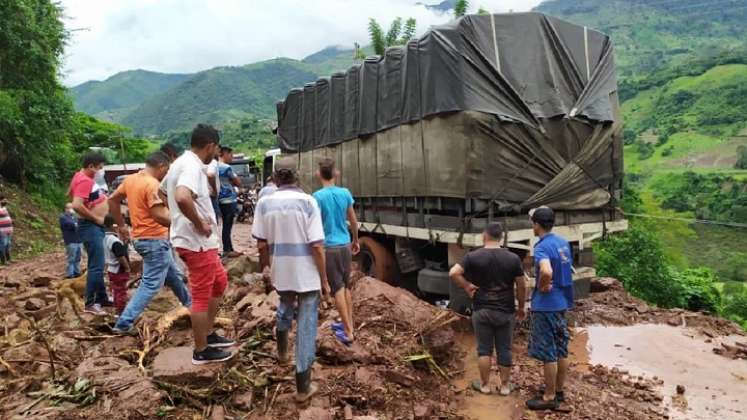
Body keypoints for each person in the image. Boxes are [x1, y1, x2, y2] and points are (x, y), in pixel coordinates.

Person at [252, 157, 329, 404]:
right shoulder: (308, 202)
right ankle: (303, 386)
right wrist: (324, 280)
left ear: (274, 177)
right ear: (297, 176)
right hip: (306, 274)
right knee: (306, 324)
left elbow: (261, 243)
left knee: (285, 306)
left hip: (281, 271)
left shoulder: (264, 203)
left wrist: (265, 268)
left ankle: (283, 352)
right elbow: (317, 246)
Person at [163, 124, 235, 365]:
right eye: (215, 149)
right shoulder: (192, 166)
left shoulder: (180, 163)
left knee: (220, 282)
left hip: (199, 242)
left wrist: (177, 217)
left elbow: (163, 193)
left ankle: (208, 334)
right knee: (202, 295)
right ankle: (201, 350)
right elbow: (182, 196)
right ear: (211, 146)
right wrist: (197, 222)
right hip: (196, 242)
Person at [109, 151, 192, 334]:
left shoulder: (131, 180)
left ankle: (191, 306)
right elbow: (159, 214)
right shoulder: (152, 184)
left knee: (173, 276)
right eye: (167, 170)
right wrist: (185, 223)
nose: (166, 175)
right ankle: (124, 323)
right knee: (150, 284)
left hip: (142, 238)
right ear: (162, 167)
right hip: (154, 239)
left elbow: (112, 199)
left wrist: (122, 226)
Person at [449, 222, 527, 395]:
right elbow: (521, 286)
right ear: (501, 237)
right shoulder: (513, 258)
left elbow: (453, 273)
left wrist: (467, 286)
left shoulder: (473, 256)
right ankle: (505, 387)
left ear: (485, 235)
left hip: (481, 309)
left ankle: (484, 386)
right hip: (505, 311)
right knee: (504, 348)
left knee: (484, 349)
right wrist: (521, 307)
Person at [525, 206, 574, 411]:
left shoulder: (542, 247)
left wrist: (544, 283)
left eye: (532, 223)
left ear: (537, 225)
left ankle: (549, 396)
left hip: (546, 306)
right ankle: (559, 391)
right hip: (562, 302)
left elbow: (546, 269)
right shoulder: (562, 242)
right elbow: (568, 268)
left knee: (548, 352)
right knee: (561, 349)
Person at [313, 158, 359, 344]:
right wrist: (355, 240)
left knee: (337, 288)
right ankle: (349, 324)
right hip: (345, 244)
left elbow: (314, 225)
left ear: (319, 174)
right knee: (346, 286)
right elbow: (353, 221)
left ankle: (348, 332)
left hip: (329, 247)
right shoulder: (345, 193)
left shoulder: (317, 197)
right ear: (336, 173)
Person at [69, 151, 111, 316]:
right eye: (100, 167)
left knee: (98, 265)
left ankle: (102, 298)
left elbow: (70, 193)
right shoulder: (84, 180)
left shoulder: (79, 176)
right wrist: (96, 218)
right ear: (91, 166)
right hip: (91, 226)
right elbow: (77, 205)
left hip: (92, 226)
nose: (101, 171)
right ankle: (90, 303)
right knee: (96, 266)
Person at [103, 215, 130, 314]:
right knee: (121, 291)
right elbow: (120, 256)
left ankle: (116, 307)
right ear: (112, 226)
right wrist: (127, 268)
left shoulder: (104, 238)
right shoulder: (114, 240)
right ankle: (121, 311)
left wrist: (125, 244)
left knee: (116, 290)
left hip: (111, 269)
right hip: (119, 269)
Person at [218, 146, 242, 257]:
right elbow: (237, 182)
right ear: (225, 153)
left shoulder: (213, 166)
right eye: (231, 155)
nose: (232, 157)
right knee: (228, 226)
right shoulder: (226, 167)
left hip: (219, 200)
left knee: (224, 225)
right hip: (229, 199)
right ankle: (227, 250)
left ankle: (228, 248)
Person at [60, 203, 82, 278]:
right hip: (71, 241)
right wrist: (76, 224)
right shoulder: (63, 217)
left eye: (72, 208)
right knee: (71, 258)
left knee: (78, 258)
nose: (72, 210)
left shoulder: (75, 217)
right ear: (66, 209)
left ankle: (77, 272)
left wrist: (77, 224)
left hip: (79, 240)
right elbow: (71, 224)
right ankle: (70, 274)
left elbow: (80, 224)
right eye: (70, 208)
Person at [0, 196, 13, 265]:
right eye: (4, 200)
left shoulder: (4, 208)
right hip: (2, 231)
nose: (6, 201)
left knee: (8, 244)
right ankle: (3, 261)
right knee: (3, 245)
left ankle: (8, 260)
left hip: (8, 230)